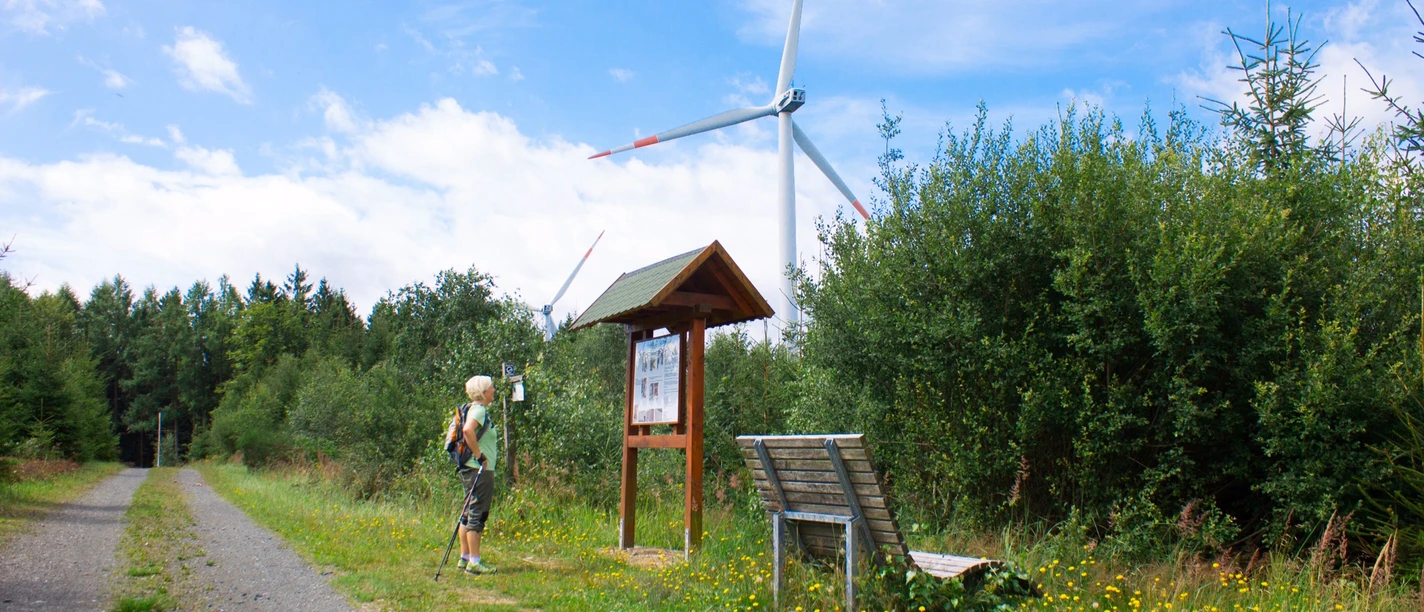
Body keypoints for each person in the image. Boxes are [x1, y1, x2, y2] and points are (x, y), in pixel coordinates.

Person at [456, 375, 499, 575]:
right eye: (491, 387)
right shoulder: (479, 410)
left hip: (470, 468)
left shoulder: (470, 409)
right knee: (477, 511)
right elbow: (467, 431)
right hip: (479, 469)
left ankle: (465, 557)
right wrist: (480, 456)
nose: (494, 390)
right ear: (484, 391)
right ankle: (474, 562)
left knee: (468, 510)